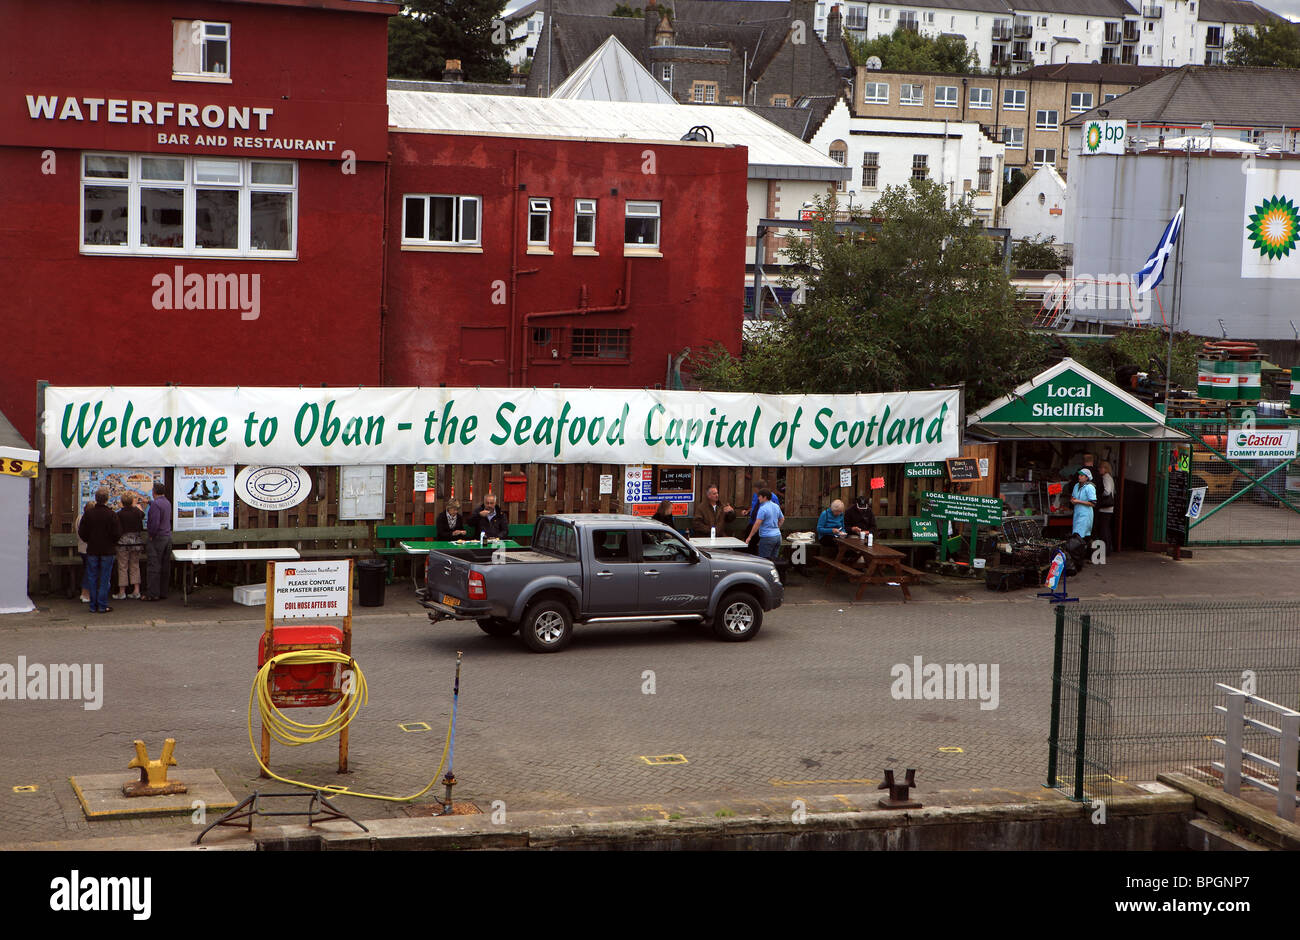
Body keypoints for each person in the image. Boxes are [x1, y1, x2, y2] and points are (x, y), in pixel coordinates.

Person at [78, 487, 121, 613]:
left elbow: (82, 532)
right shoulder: (112, 515)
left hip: (92, 549)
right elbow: (117, 533)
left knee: (92, 577)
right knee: (104, 578)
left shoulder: (88, 514)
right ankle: (102, 605)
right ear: (107, 499)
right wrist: (112, 542)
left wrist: (88, 540)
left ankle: (93, 605)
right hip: (107, 550)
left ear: (96, 499)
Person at [143, 483, 172, 601]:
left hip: (157, 538)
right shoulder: (167, 502)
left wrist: (151, 535)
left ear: (154, 492)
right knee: (165, 566)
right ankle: (163, 592)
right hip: (167, 537)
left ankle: (152, 594)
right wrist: (149, 502)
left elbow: (154, 523)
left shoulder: (156, 504)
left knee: (154, 566)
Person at [114, 493, 145, 600]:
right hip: (136, 542)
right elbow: (142, 514)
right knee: (135, 565)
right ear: (132, 501)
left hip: (123, 543)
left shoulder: (119, 514)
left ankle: (122, 591)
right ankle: (136, 590)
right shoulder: (137, 512)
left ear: (122, 502)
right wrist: (138, 507)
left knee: (122, 566)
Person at [745, 488, 784, 560]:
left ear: (764, 497)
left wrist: (749, 537)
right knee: (774, 560)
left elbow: (757, 524)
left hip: (767, 538)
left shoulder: (763, 509)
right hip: (778, 537)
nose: (758, 498)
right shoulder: (776, 506)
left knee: (764, 561)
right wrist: (776, 528)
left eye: (759, 496)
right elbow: (782, 519)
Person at [1094, 460, 1116, 553]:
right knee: (1106, 528)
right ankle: (1108, 548)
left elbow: (1107, 491)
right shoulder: (1109, 477)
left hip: (1105, 508)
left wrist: (1098, 493)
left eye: (1100, 467)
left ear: (1105, 469)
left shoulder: (1106, 478)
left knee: (1104, 529)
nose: (1099, 469)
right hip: (1108, 508)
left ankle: (1105, 549)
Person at [74, 500, 94, 603]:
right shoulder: (88, 520)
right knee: (89, 571)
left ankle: (86, 592)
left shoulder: (79, 518)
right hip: (88, 548)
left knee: (87, 569)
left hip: (81, 548)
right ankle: (85, 593)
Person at [1070, 467, 1096, 540]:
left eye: (1081, 476)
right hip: (1077, 513)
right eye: (1079, 475)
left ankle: (1082, 550)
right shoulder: (1076, 485)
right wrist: (1072, 500)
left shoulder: (1090, 487)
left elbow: (1093, 503)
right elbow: (1073, 497)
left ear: (1087, 477)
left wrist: (1078, 501)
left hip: (1085, 514)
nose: (1079, 477)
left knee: (1081, 536)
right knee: (1076, 534)